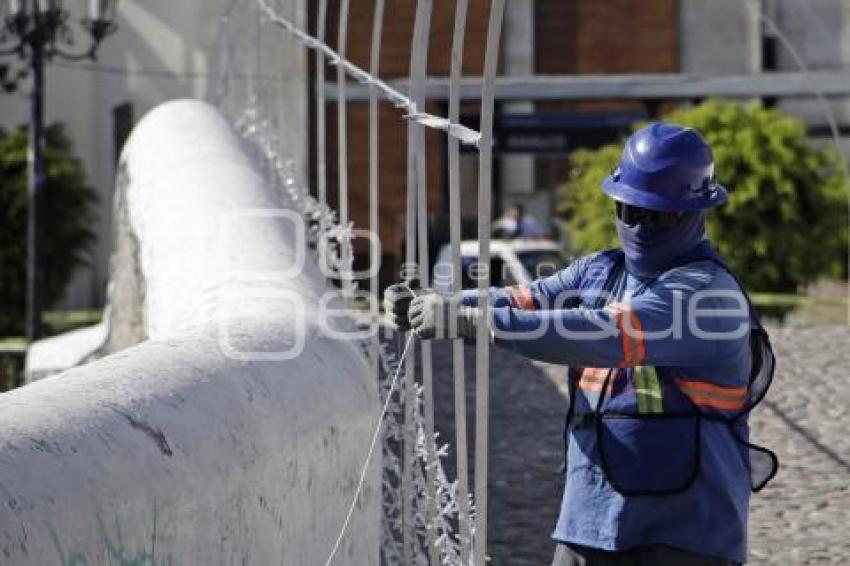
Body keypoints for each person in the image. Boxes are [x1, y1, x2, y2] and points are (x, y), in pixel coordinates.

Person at [384, 123, 777, 566]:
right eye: (631, 211)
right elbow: (523, 300)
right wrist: (440, 303)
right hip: (590, 522)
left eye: (660, 215)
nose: (643, 225)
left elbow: (608, 333)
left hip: (686, 533)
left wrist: (474, 321)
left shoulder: (708, 293)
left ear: (696, 212)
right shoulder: (598, 271)